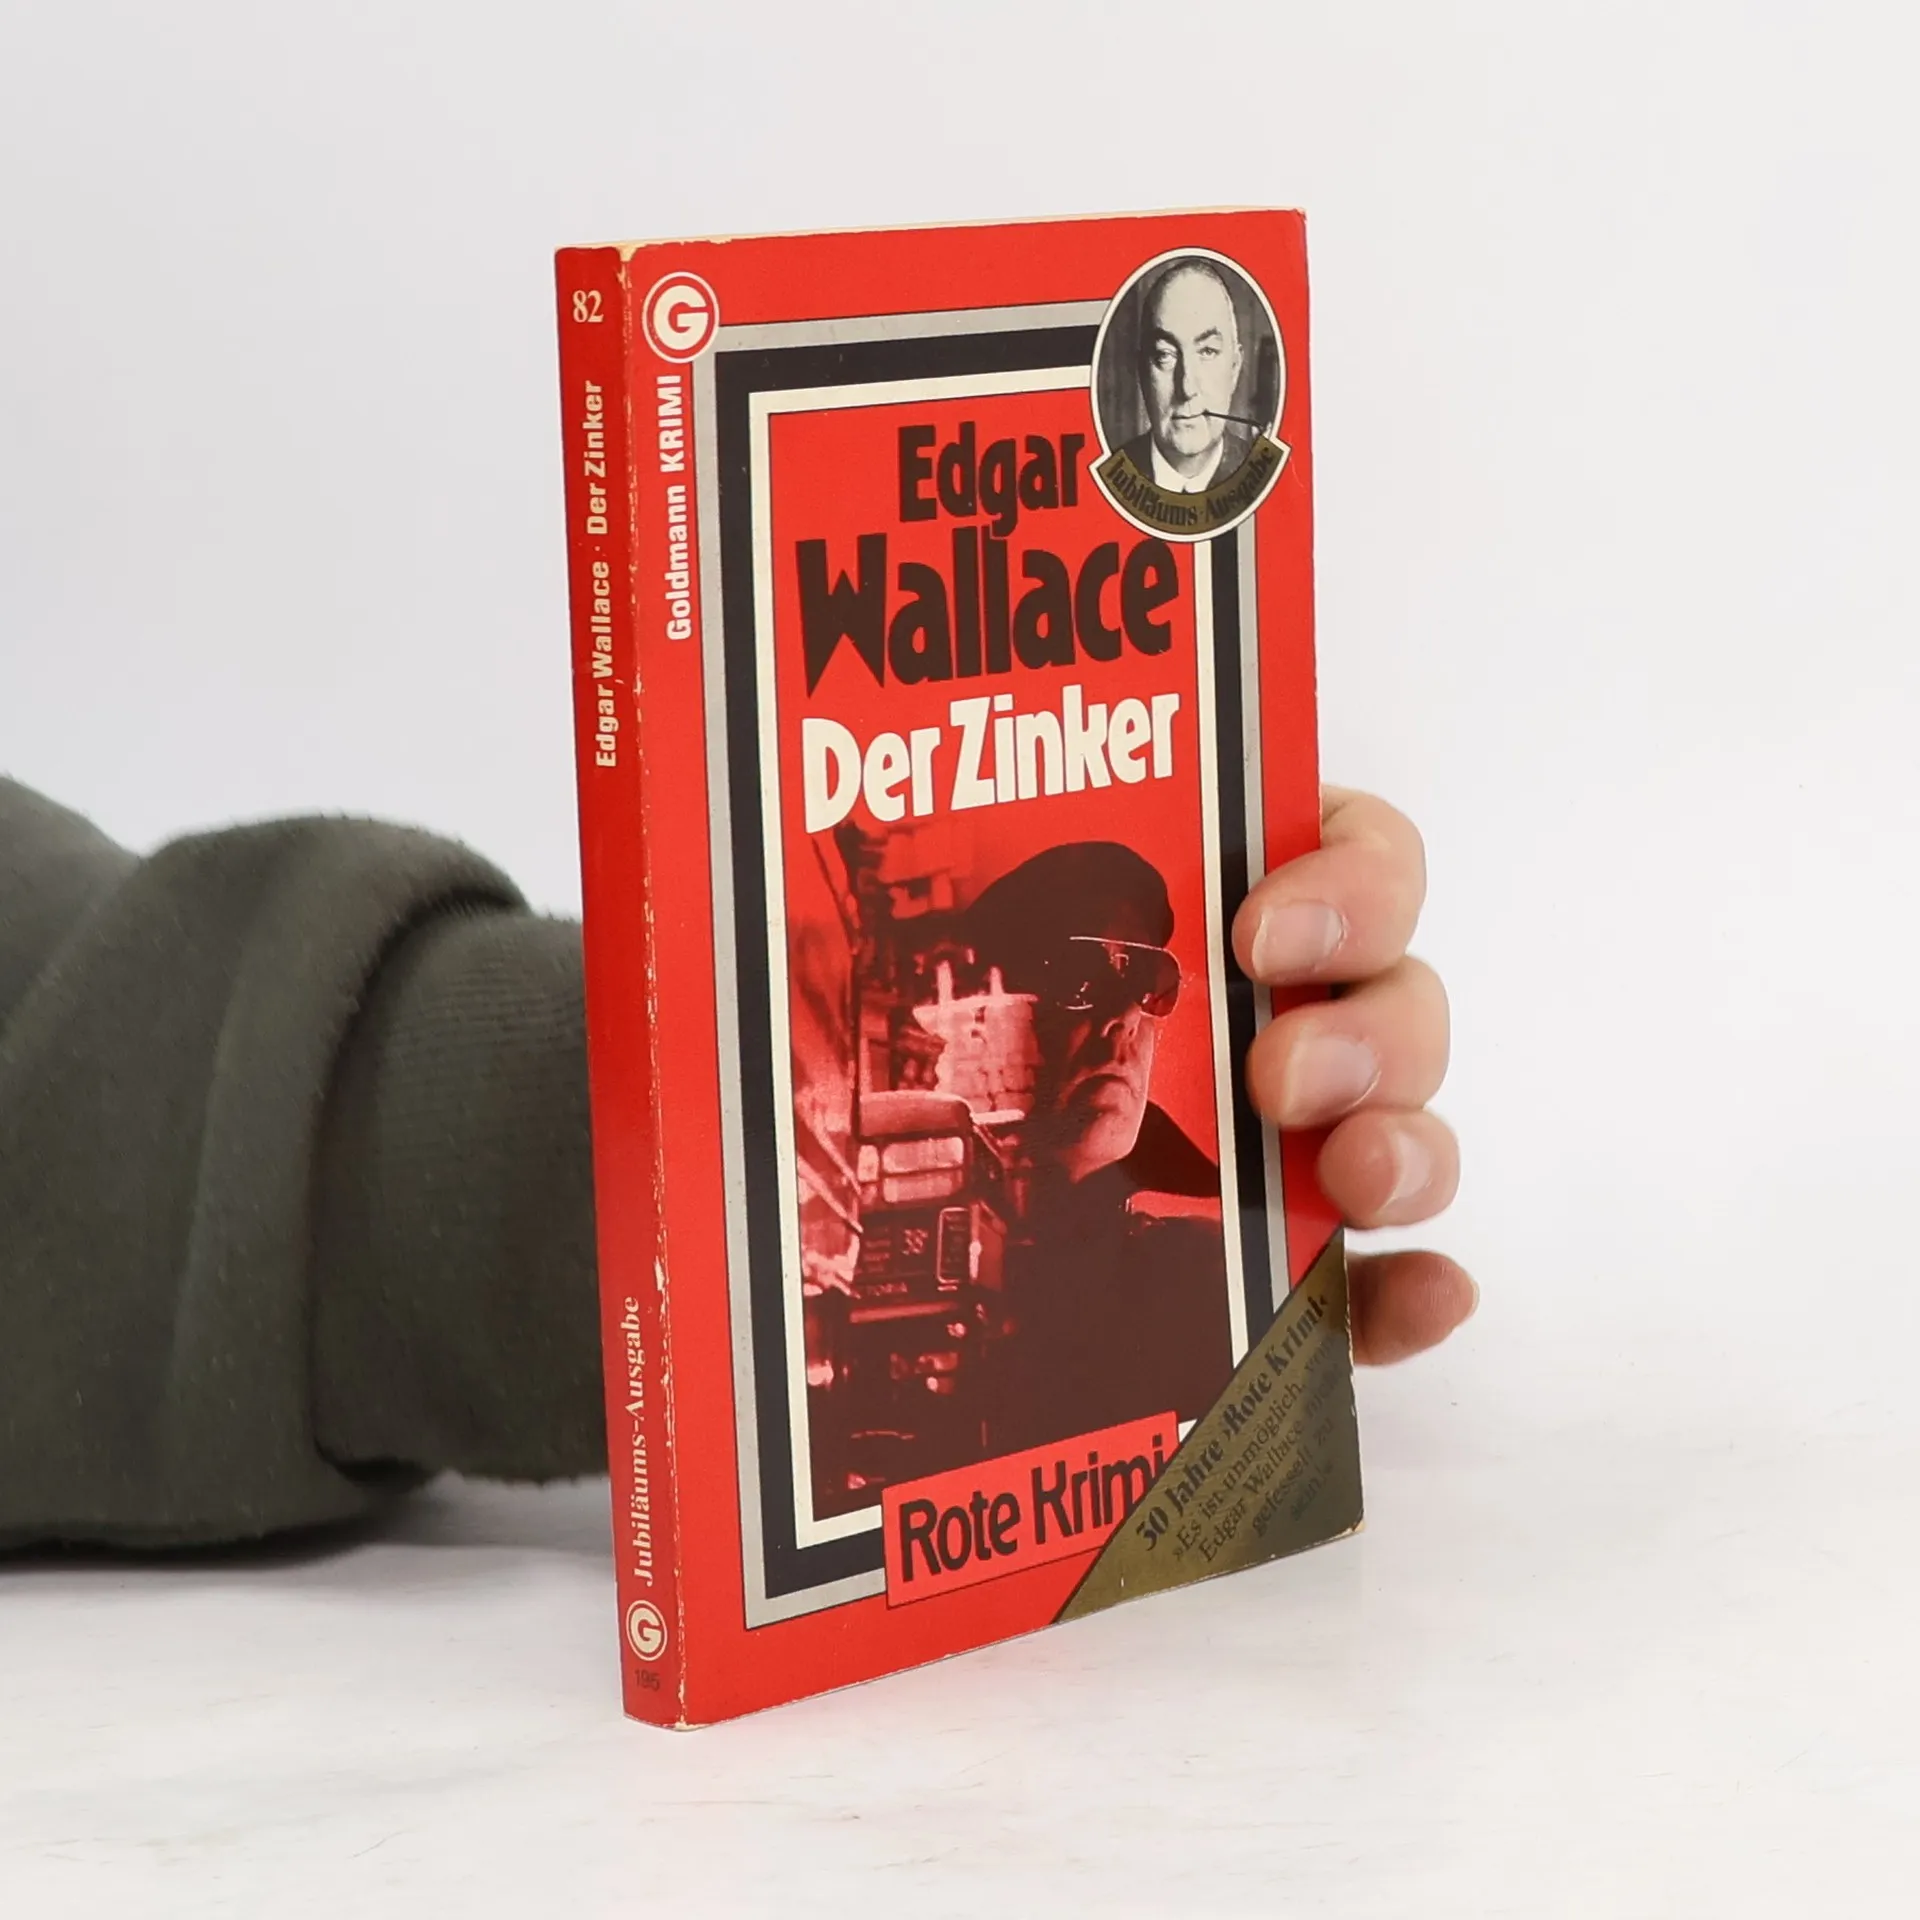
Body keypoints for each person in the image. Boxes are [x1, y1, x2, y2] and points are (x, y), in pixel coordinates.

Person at [0, 776, 1469, 1550]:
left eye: (1147, 982)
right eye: (1072, 971)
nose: (1121, 1019)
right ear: (961, 1003)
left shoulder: (1180, 1242)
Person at [1116, 258, 1258, 494]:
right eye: (1164, 355)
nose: (1186, 387)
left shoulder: (1261, 473)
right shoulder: (1111, 473)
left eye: (1207, 351)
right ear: (1142, 371)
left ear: (1234, 367)